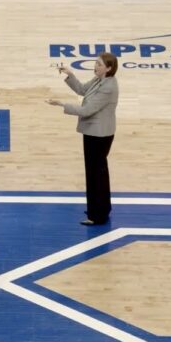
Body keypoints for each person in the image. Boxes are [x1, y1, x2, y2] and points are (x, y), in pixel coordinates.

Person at [47, 52, 119, 226]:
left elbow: (87, 110)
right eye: (96, 63)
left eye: (100, 64)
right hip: (95, 132)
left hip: (99, 134)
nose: (96, 66)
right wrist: (70, 74)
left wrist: (63, 104)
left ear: (109, 68)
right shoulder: (100, 79)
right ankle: (99, 208)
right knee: (96, 172)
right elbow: (81, 90)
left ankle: (98, 215)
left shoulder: (108, 87)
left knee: (96, 174)